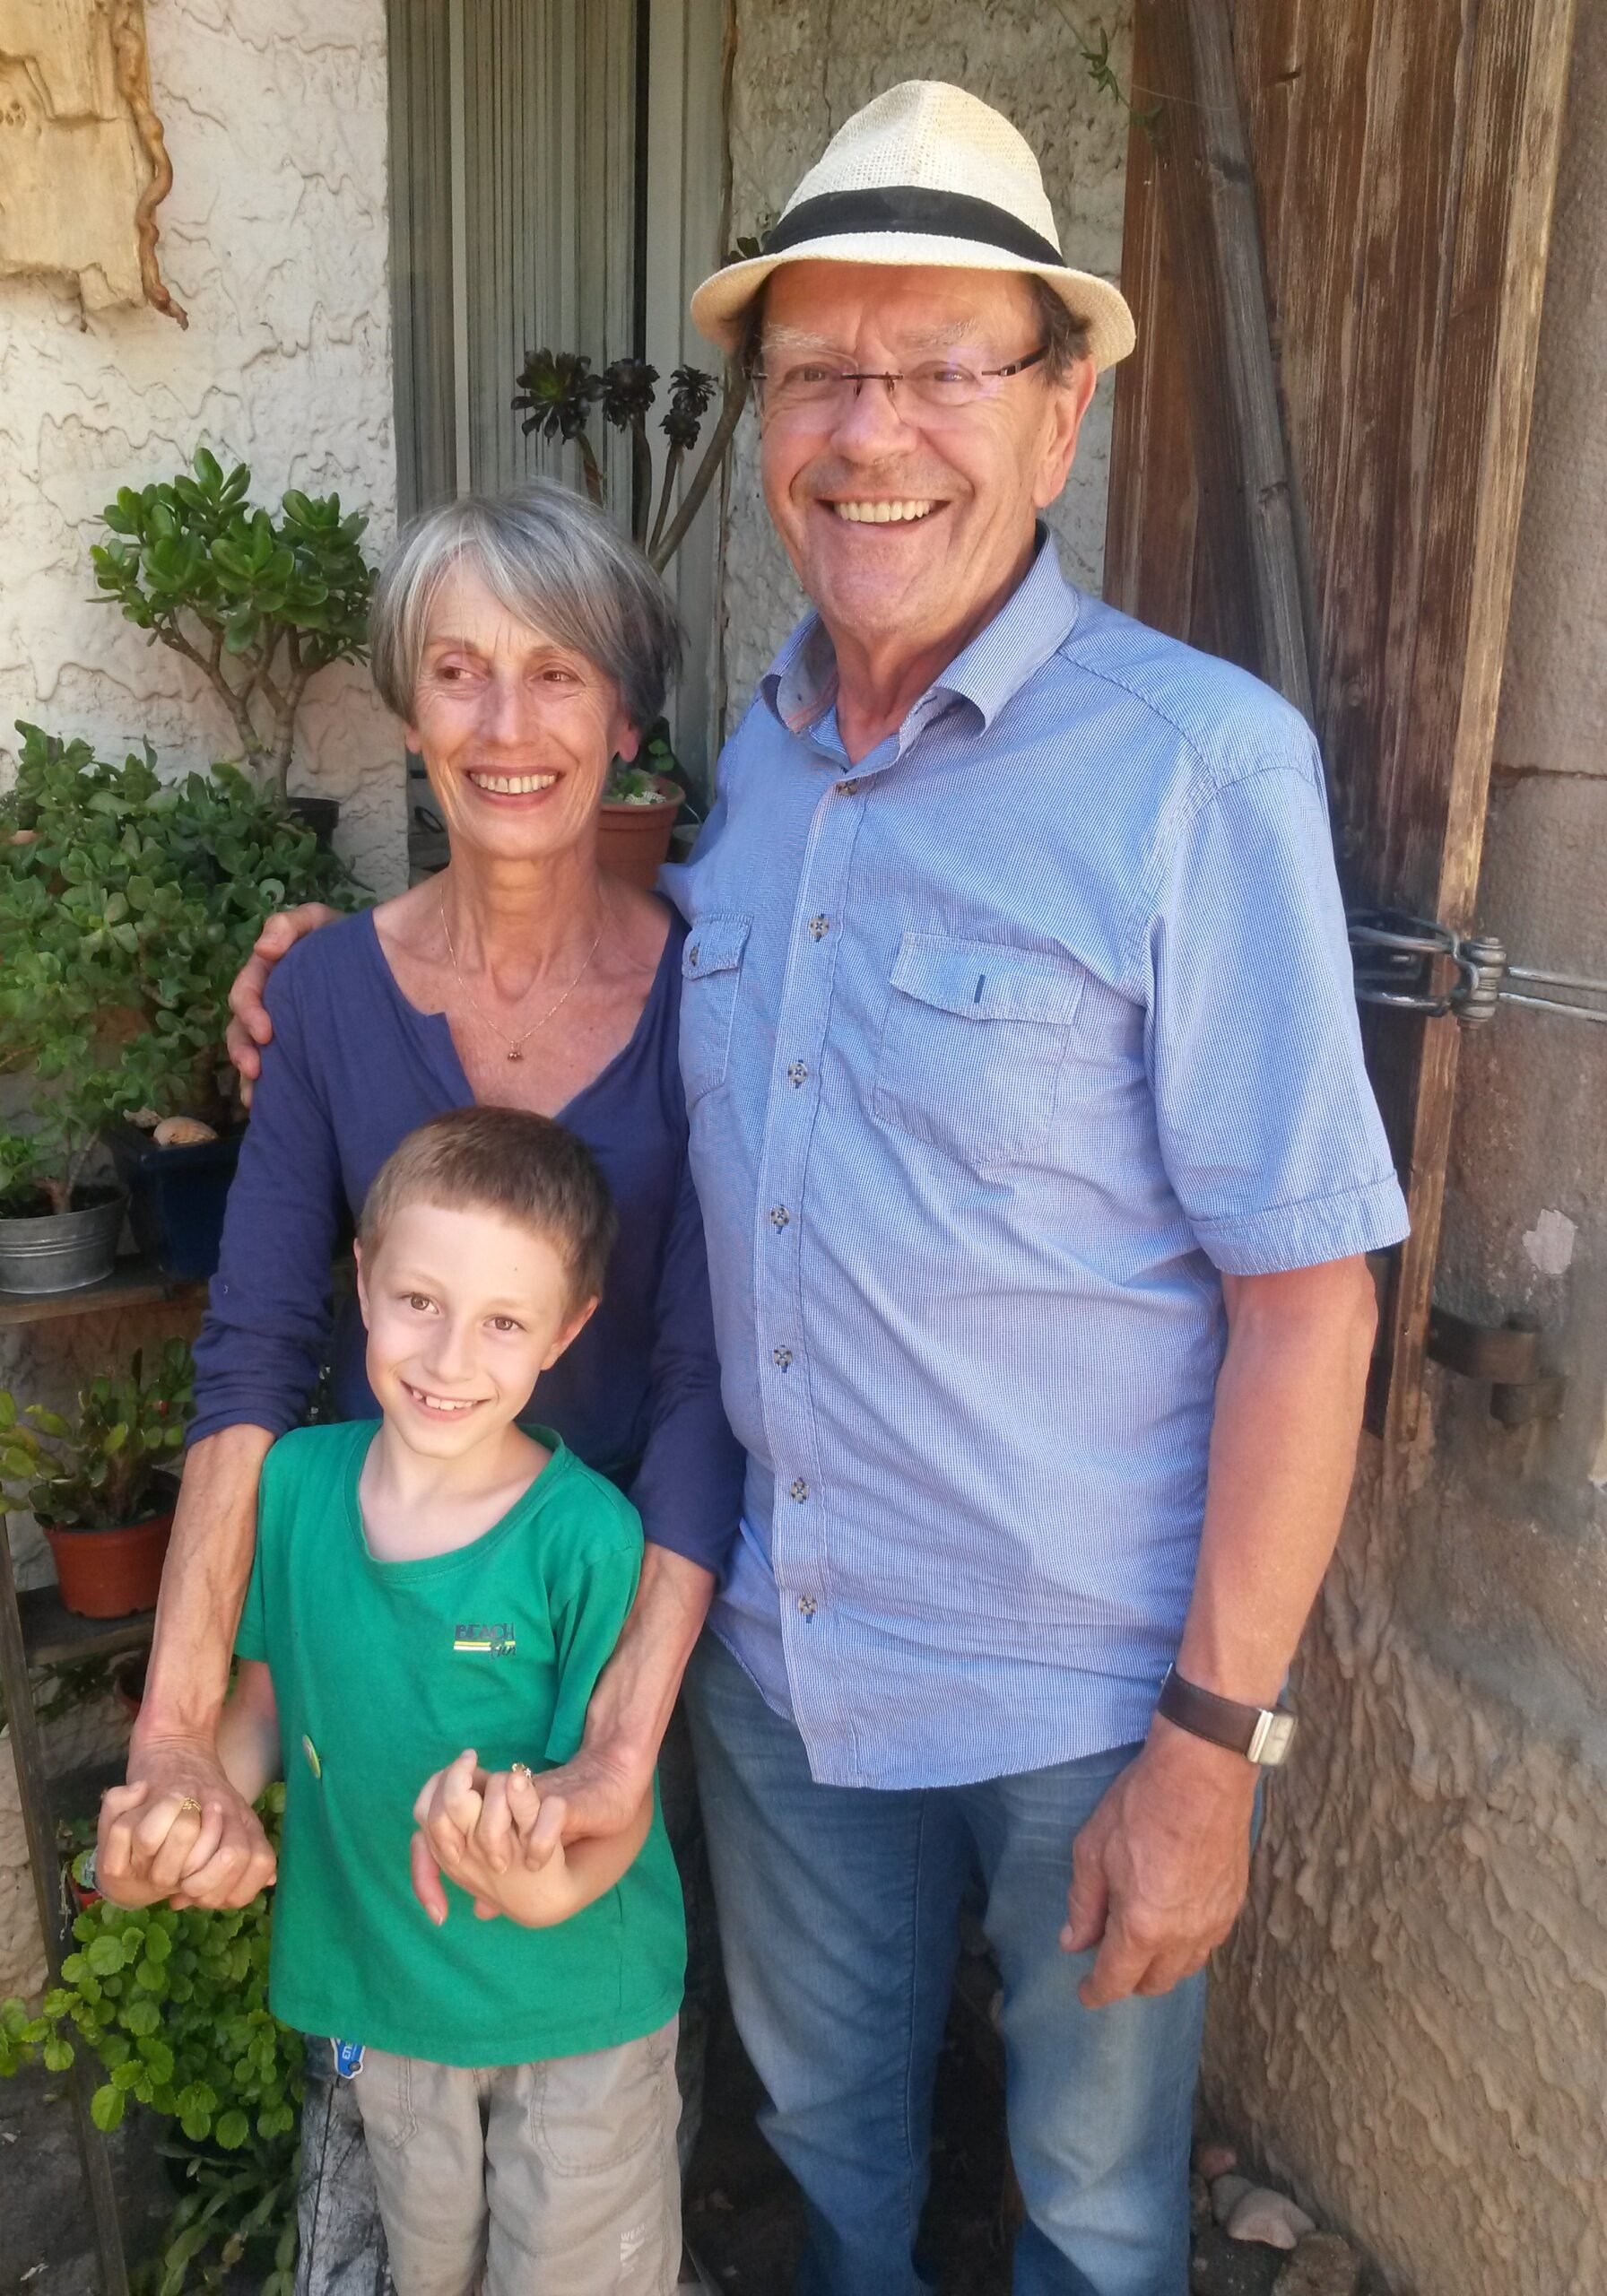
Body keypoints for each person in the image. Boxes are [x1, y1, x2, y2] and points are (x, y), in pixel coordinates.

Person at [228, 82, 1410, 2296]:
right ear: (769, 421)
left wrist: (1212, 1746)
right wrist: (332, 966)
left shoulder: (1197, 770)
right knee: (827, 2146)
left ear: (1059, 414)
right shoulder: (754, 767)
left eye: (943, 366)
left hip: (1083, 1690)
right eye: (819, 374)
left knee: (1097, 2206)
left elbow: (1309, 1297)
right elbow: (581, 960)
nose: (875, 432)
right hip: (781, 1666)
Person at [100, 1108, 687, 2296]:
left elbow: (615, 1794)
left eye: (504, 1321)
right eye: (420, 1300)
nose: (450, 1358)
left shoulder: (587, 1535)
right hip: (387, 1998)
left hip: (576, 2010)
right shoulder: (293, 1486)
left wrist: (541, 1876)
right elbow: (266, 1703)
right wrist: (193, 1810)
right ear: (363, 1279)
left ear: (567, 1329)